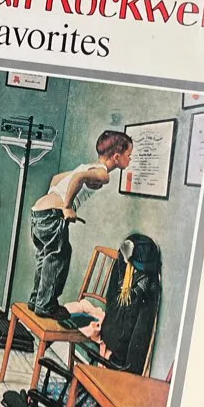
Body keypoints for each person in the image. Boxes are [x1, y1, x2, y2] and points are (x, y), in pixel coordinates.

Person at [27, 131, 133, 323]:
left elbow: (56, 179)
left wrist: (55, 199)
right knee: (59, 256)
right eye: (129, 155)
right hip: (52, 214)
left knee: (46, 256)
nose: (130, 159)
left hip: (39, 213)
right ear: (117, 157)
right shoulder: (103, 173)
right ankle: (46, 305)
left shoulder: (87, 165)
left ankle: (37, 300)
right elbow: (78, 178)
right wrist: (66, 206)